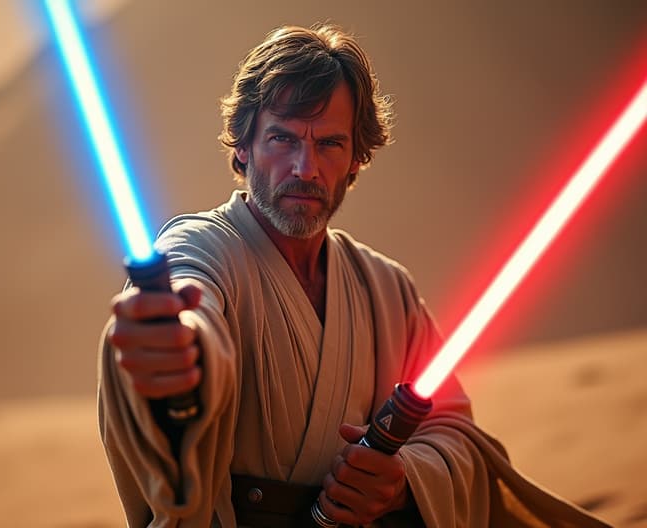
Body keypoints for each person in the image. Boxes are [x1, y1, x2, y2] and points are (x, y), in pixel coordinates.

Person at [98, 24, 612, 528]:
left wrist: (402, 478)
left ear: (355, 161)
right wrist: (178, 344)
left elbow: (455, 431)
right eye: (282, 138)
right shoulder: (201, 246)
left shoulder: (385, 287)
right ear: (242, 145)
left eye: (329, 144)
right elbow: (192, 301)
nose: (305, 167)